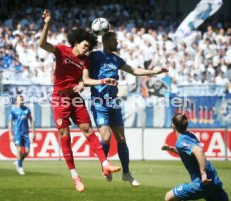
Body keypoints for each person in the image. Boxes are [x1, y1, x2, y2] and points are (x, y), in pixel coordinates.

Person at [39, 10, 121, 192]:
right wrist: (47, 23)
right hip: (60, 98)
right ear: (76, 42)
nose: (86, 49)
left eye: (89, 47)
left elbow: (84, 79)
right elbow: (42, 43)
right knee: (64, 135)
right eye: (85, 46)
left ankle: (105, 164)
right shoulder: (62, 50)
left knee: (87, 130)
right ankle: (75, 176)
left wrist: (93, 82)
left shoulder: (85, 60)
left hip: (75, 98)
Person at [86, 31, 168, 186]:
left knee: (121, 139)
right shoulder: (95, 56)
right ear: (106, 41)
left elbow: (134, 71)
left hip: (114, 102)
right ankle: (105, 167)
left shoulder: (117, 59)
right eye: (114, 40)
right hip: (99, 102)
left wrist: (154, 72)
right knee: (106, 138)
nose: (117, 43)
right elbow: (83, 67)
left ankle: (126, 173)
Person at [162, 113, 229, 201]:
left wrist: (203, 173)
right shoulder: (190, 135)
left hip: (201, 183)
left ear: (173, 126)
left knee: (168, 197)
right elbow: (188, 152)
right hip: (213, 180)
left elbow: (199, 150)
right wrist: (170, 148)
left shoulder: (180, 141)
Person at [8, 95, 35, 175]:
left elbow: (31, 120)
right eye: (19, 100)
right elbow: (10, 122)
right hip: (17, 133)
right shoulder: (13, 111)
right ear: (16, 101)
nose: (21, 101)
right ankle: (20, 167)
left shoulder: (27, 110)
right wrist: (10, 134)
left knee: (27, 151)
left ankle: (18, 161)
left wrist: (33, 132)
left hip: (26, 133)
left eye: (22, 100)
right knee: (19, 150)